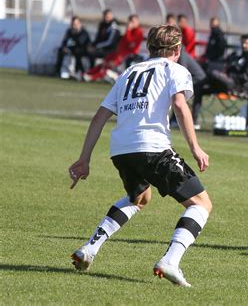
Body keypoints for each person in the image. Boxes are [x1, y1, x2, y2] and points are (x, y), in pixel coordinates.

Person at [68, 24, 212, 287]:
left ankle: (89, 249)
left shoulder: (129, 72)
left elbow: (101, 115)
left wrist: (84, 158)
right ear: (178, 49)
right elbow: (180, 104)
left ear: (149, 47)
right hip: (152, 147)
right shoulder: (175, 69)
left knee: (140, 198)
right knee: (201, 204)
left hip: (122, 150)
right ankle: (171, 261)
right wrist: (195, 148)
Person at [83, 14, 144, 83]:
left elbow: (130, 44)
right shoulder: (129, 31)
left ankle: (92, 77)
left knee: (109, 65)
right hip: (119, 53)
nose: (130, 23)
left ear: (137, 22)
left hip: (127, 55)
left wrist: (128, 30)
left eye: (132, 21)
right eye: (130, 21)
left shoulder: (139, 32)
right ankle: (87, 73)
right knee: (105, 62)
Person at [170, 46, 207, 130]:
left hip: (198, 81)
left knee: (177, 94)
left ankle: (177, 120)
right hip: (192, 80)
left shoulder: (182, 55)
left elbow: (182, 71)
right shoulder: (179, 53)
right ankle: (174, 119)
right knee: (176, 93)